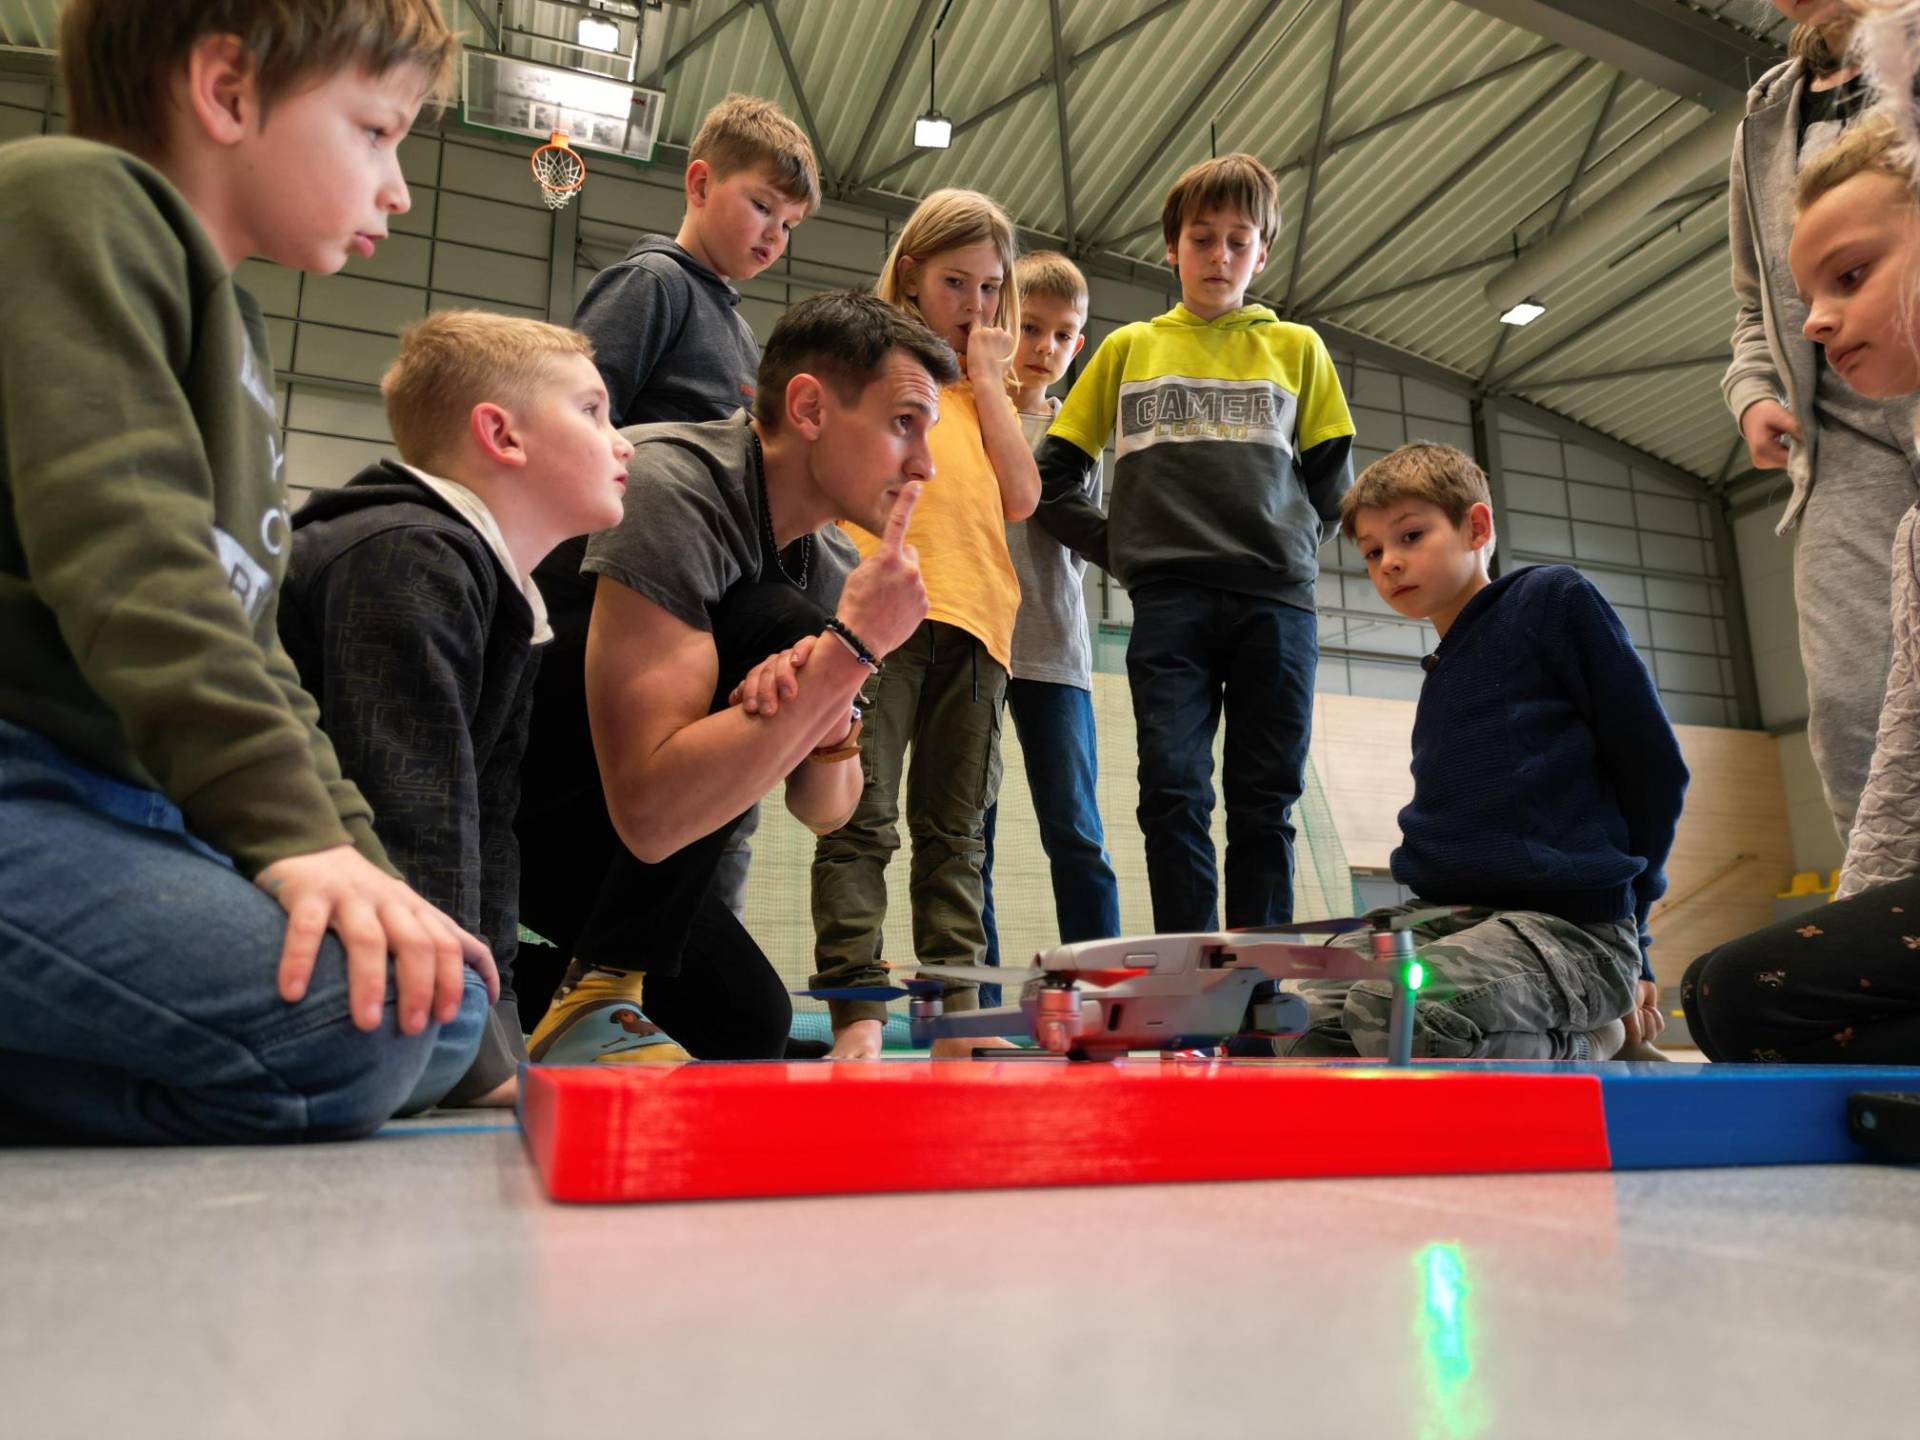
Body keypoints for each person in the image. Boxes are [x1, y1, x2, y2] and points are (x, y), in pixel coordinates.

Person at [0, 0, 495, 1144]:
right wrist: (291, 840)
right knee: (361, 1028)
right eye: (375, 132)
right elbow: (136, 566)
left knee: (447, 1007)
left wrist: (368, 875)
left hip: (124, 807)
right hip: (26, 781)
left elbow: (257, 656)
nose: (399, 188)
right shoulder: (70, 198)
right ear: (228, 90)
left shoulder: (239, 328)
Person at [520, 290, 956, 1064]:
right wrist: (845, 649)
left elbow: (826, 809)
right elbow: (651, 816)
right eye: (903, 424)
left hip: (607, 836)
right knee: (785, 621)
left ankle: (488, 984)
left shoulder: (833, 567)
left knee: (747, 1023)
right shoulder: (674, 482)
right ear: (810, 408)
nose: (924, 464)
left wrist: (833, 690)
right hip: (512, 795)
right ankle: (601, 988)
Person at [279, 312, 632, 1107]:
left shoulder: (502, 590)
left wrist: (496, 1039)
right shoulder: (409, 552)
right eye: (592, 412)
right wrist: (459, 1044)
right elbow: (409, 808)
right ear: (501, 435)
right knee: (394, 1048)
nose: (624, 444)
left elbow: (487, 823)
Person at [519, 94, 820, 1022]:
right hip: (621, 589)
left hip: (704, 614)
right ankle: (612, 989)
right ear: (699, 182)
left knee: (721, 812)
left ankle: (659, 1002)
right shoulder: (654, 284)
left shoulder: (738, 331)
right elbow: (576, 410)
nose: (773, 236)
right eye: (761, 205)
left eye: (790, 224)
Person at [1032, 152, 1354, 935]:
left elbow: (1332, 489)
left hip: (1276, 607)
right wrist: (1126, 548)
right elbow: (1051, 478)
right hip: (1170, 605)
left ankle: (1257, 984)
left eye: (1239, 241)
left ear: (1261, 254)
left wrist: (1287, 551)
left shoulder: (1299, 349)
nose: (1219, 257)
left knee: (1264, 799)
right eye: (1202, 239)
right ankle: (1192, 978)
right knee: (1173, 789)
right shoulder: (1128, 350)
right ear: (1172, 248)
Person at [1280, 444, 1688, 1061]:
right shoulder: (1443, 671)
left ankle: (1591, 1041)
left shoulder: (1550, 599)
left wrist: (1639, 941)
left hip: (1570, 931)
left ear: (1476, 527)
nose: (1390, 563)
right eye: (1372, 552)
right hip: (1448, 919)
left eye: (1410, 536)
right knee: (1297, 1020)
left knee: (1394, 1010)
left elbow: (1654, 770)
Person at [1685, 111, 1920, 1063]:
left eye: (1851, 277)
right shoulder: (1912, 537)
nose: (1814, 321)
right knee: (1726, 993)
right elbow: (1899, 763)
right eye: (1809, 292)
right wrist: (1856, 918)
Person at [808, 189, 1041, 1060]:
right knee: (860, 818)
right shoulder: (877, 363)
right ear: (909, 275)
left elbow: (1022, 496)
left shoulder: (987, 394)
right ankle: (859, 1017)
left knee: (957, 834)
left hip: (979, 625)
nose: (975, 304)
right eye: (955, 282)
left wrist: (987, 377)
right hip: (881, 614)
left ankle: (956, 1021)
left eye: (990, 287)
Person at [1725, 2, 1920, 847]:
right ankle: (1886, 901)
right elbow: (1756, 300)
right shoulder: (1769, 112)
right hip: (1840, 441)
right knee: (1850, 706)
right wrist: (1754, 388)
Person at [980, 252, 1121, 990]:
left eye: (1063, 335)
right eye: (1030, 327)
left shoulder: (1076, 434)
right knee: (969, 834)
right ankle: (977, 993)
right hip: (975, 642)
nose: (1044, 347)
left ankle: (1100, 991)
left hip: (1055, 649)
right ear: (1002, 322)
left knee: (1075, 829)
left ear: (1079, 344)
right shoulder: (968, 411)